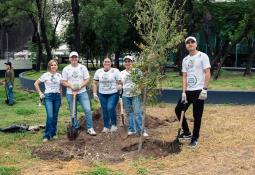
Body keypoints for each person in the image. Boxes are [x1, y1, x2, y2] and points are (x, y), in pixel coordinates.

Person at [175, 36, 211, 148]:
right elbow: (184, 76)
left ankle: (195, 139)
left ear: (196, 44)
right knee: (178, 109)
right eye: (188, 42)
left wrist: (205, 89)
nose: (190, 44)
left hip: (199, 91)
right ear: (186, 45)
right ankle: (186, 132)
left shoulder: (202, 56)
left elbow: (207, 72)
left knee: (197, 115)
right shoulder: (185, 59)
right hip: (188, 92)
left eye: (192, 42)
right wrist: (183, 92)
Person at [62, 51, 97, 136]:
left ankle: (90, 128)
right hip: (70, 93)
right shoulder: (66, 69)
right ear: (70, 59)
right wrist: (71, 86)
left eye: (75, 57)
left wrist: (80, 86)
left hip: (82, 92)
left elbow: (87, 79)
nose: (74, 59)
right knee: (73, 112)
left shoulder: (83, 68)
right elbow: (63, 81)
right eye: (72, 57)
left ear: (78, 58)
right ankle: (75, 128)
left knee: (87, 109)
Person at [34, 59, 62, 142]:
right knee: (50, 116)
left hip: (57, 97)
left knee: (55, 116)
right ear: (49, 66)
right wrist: (40, 93)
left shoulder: (59, 76)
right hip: (48, 97)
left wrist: (61, 99)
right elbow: (36, 83)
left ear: (57, 66)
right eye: (52, 65)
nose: (53, 66)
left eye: (55, 65)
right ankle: (46, 135)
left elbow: (60, 88)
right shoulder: (45, 75)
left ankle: (53, 134)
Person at [120, 55, 148, 137]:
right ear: (124, 63)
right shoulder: (122, 73)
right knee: (130, 113)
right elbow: (120, 83)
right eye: (126, 61)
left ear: (132, 62)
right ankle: (132, 129)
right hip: (125, 96)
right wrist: (119, 86)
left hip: (135, 95)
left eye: (129, 61)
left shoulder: (137, 71)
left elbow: (142, 82)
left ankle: (142, 131)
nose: (127, 63)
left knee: (138, 113)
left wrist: (139, 90)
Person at [92, 57, 122, 133]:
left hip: (113, 93)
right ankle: (106, 126)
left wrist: (120, 86)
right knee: (104, 110)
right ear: (103, 63)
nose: (107, 63)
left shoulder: (115, 71)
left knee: (110, 108)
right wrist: (95, 93)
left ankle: (114, 125)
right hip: (102, 94)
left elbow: (120, 82)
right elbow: (95, 83)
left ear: (111, 63)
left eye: (108, 62)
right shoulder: (99, 71)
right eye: (105, 62)